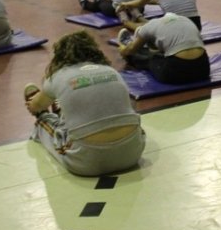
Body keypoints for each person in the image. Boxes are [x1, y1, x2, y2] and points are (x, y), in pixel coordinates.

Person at [24, 31, 145, 177]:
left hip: (87, 162)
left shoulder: (58, 76)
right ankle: (62, 111)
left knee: (45, 125)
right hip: (132, 153)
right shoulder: (111, 71)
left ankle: (48, 119)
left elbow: (35, 106)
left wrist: (37, 105)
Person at [117, 13, 209, 84]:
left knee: (151, 59)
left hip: (175, 73)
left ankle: (127, 44)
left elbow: (130, 50)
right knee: (168, 52)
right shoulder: (186, 20)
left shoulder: (151, 25)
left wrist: (122, 50)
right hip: (203, 69)